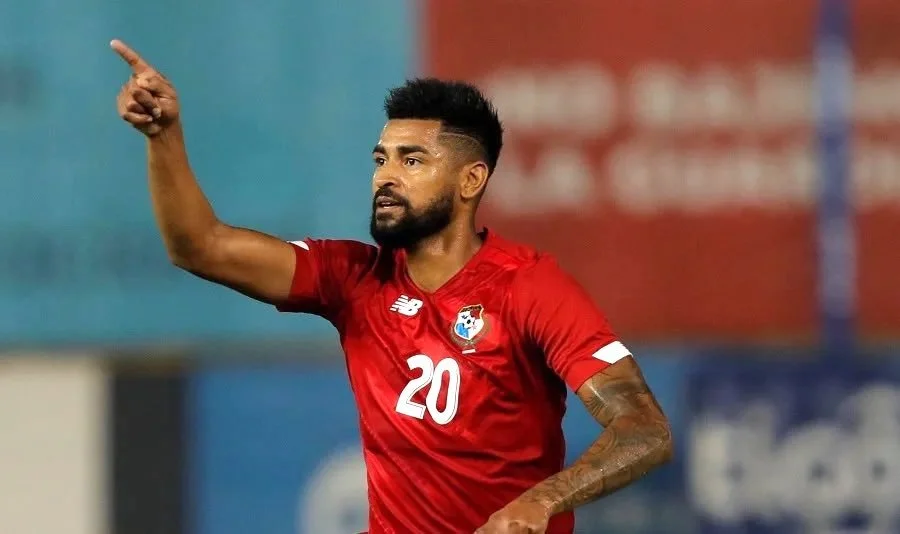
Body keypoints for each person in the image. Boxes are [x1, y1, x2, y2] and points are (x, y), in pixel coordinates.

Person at [111, 39, 673, 534]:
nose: (386, 176)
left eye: (412, 160)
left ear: (470, 180)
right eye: (382, 159)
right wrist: (163, 136)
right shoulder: (352, 278)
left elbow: (644, 429)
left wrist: (541, 501)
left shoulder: (529, 288)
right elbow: (200, 246)